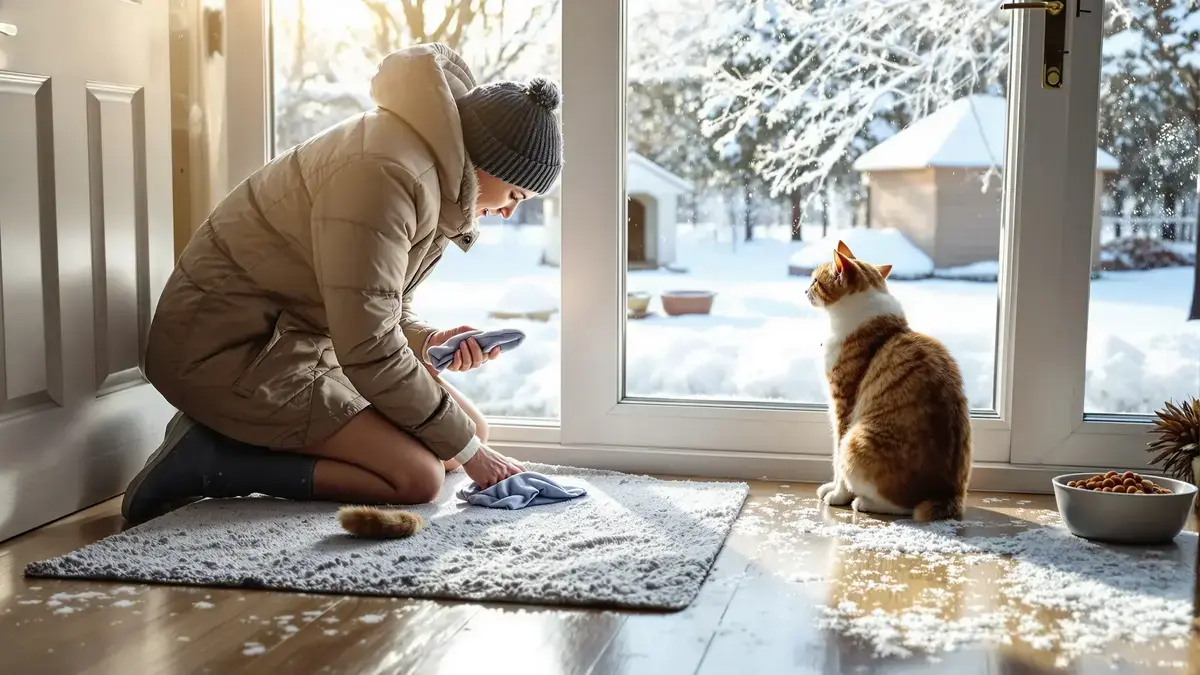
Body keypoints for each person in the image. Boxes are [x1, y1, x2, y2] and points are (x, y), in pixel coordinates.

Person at [122, 43, 562, 525]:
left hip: (293, 338)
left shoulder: (428, 169)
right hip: (227, 352)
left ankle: (240, 439)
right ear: (489, 162)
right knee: (418, 477)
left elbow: (372, 305)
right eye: (515, 194)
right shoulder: (388, 175)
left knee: (466, 434)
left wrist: (427, 340)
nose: (508, 212)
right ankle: (212, 459)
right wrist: (480, 458)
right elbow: (369, 345)